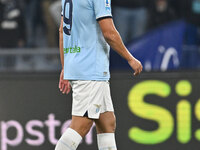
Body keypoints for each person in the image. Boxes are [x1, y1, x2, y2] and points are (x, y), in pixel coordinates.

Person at [55, 0, 143, 150]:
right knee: (81, 125)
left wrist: (66, 67)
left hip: (79, 65)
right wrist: (130, 58)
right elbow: (109, 33)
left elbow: (61, 31)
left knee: (107, 123)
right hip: (91, 68)